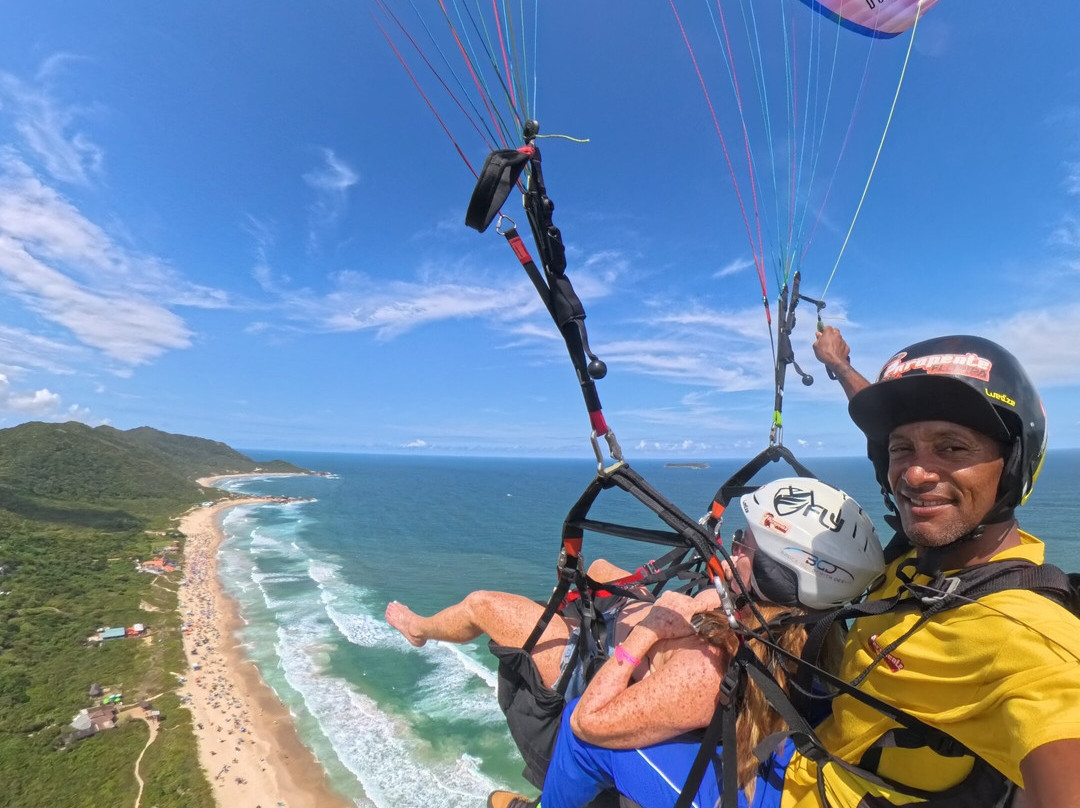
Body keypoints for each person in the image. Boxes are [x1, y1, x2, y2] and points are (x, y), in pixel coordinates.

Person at [782, 330, 1080, 807]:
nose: (916, 474)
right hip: (828, 739)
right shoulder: (926, 554)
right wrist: (838, 365)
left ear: (1013, 464)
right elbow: (887, 433)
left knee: (618, 752)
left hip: (821, 791)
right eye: (902, 450)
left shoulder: (1027, 637)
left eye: (953, 448)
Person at [487, 478, 885, 808]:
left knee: (582, 737)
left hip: (754, 796)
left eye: (744, 542)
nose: (733, 546)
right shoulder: (823, 634)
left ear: (774, 572)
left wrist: (649, 633)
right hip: (797, 767)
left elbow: (586, 723)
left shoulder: (712, 665)